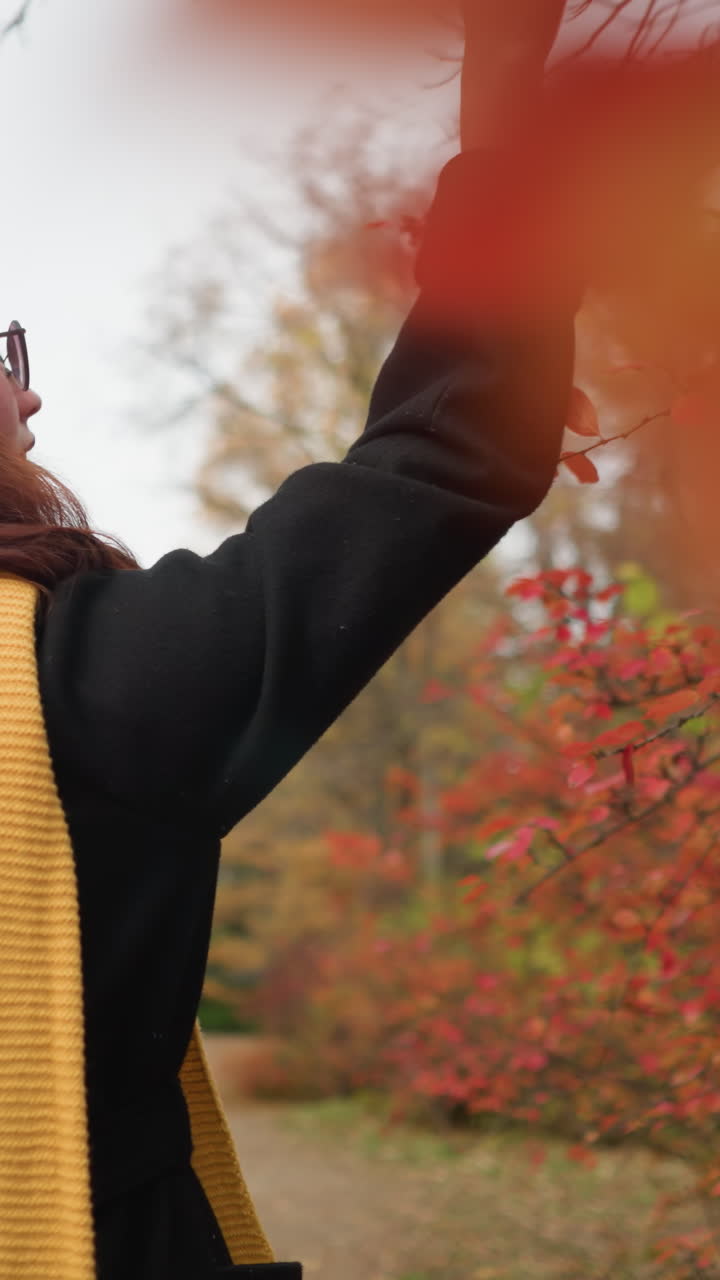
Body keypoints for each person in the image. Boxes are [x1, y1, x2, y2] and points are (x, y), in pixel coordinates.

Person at [0, 2, 575, 1276]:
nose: (29, 389)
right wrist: (515, 94)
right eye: (2, 355)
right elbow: (451, 447)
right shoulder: (71, 683)